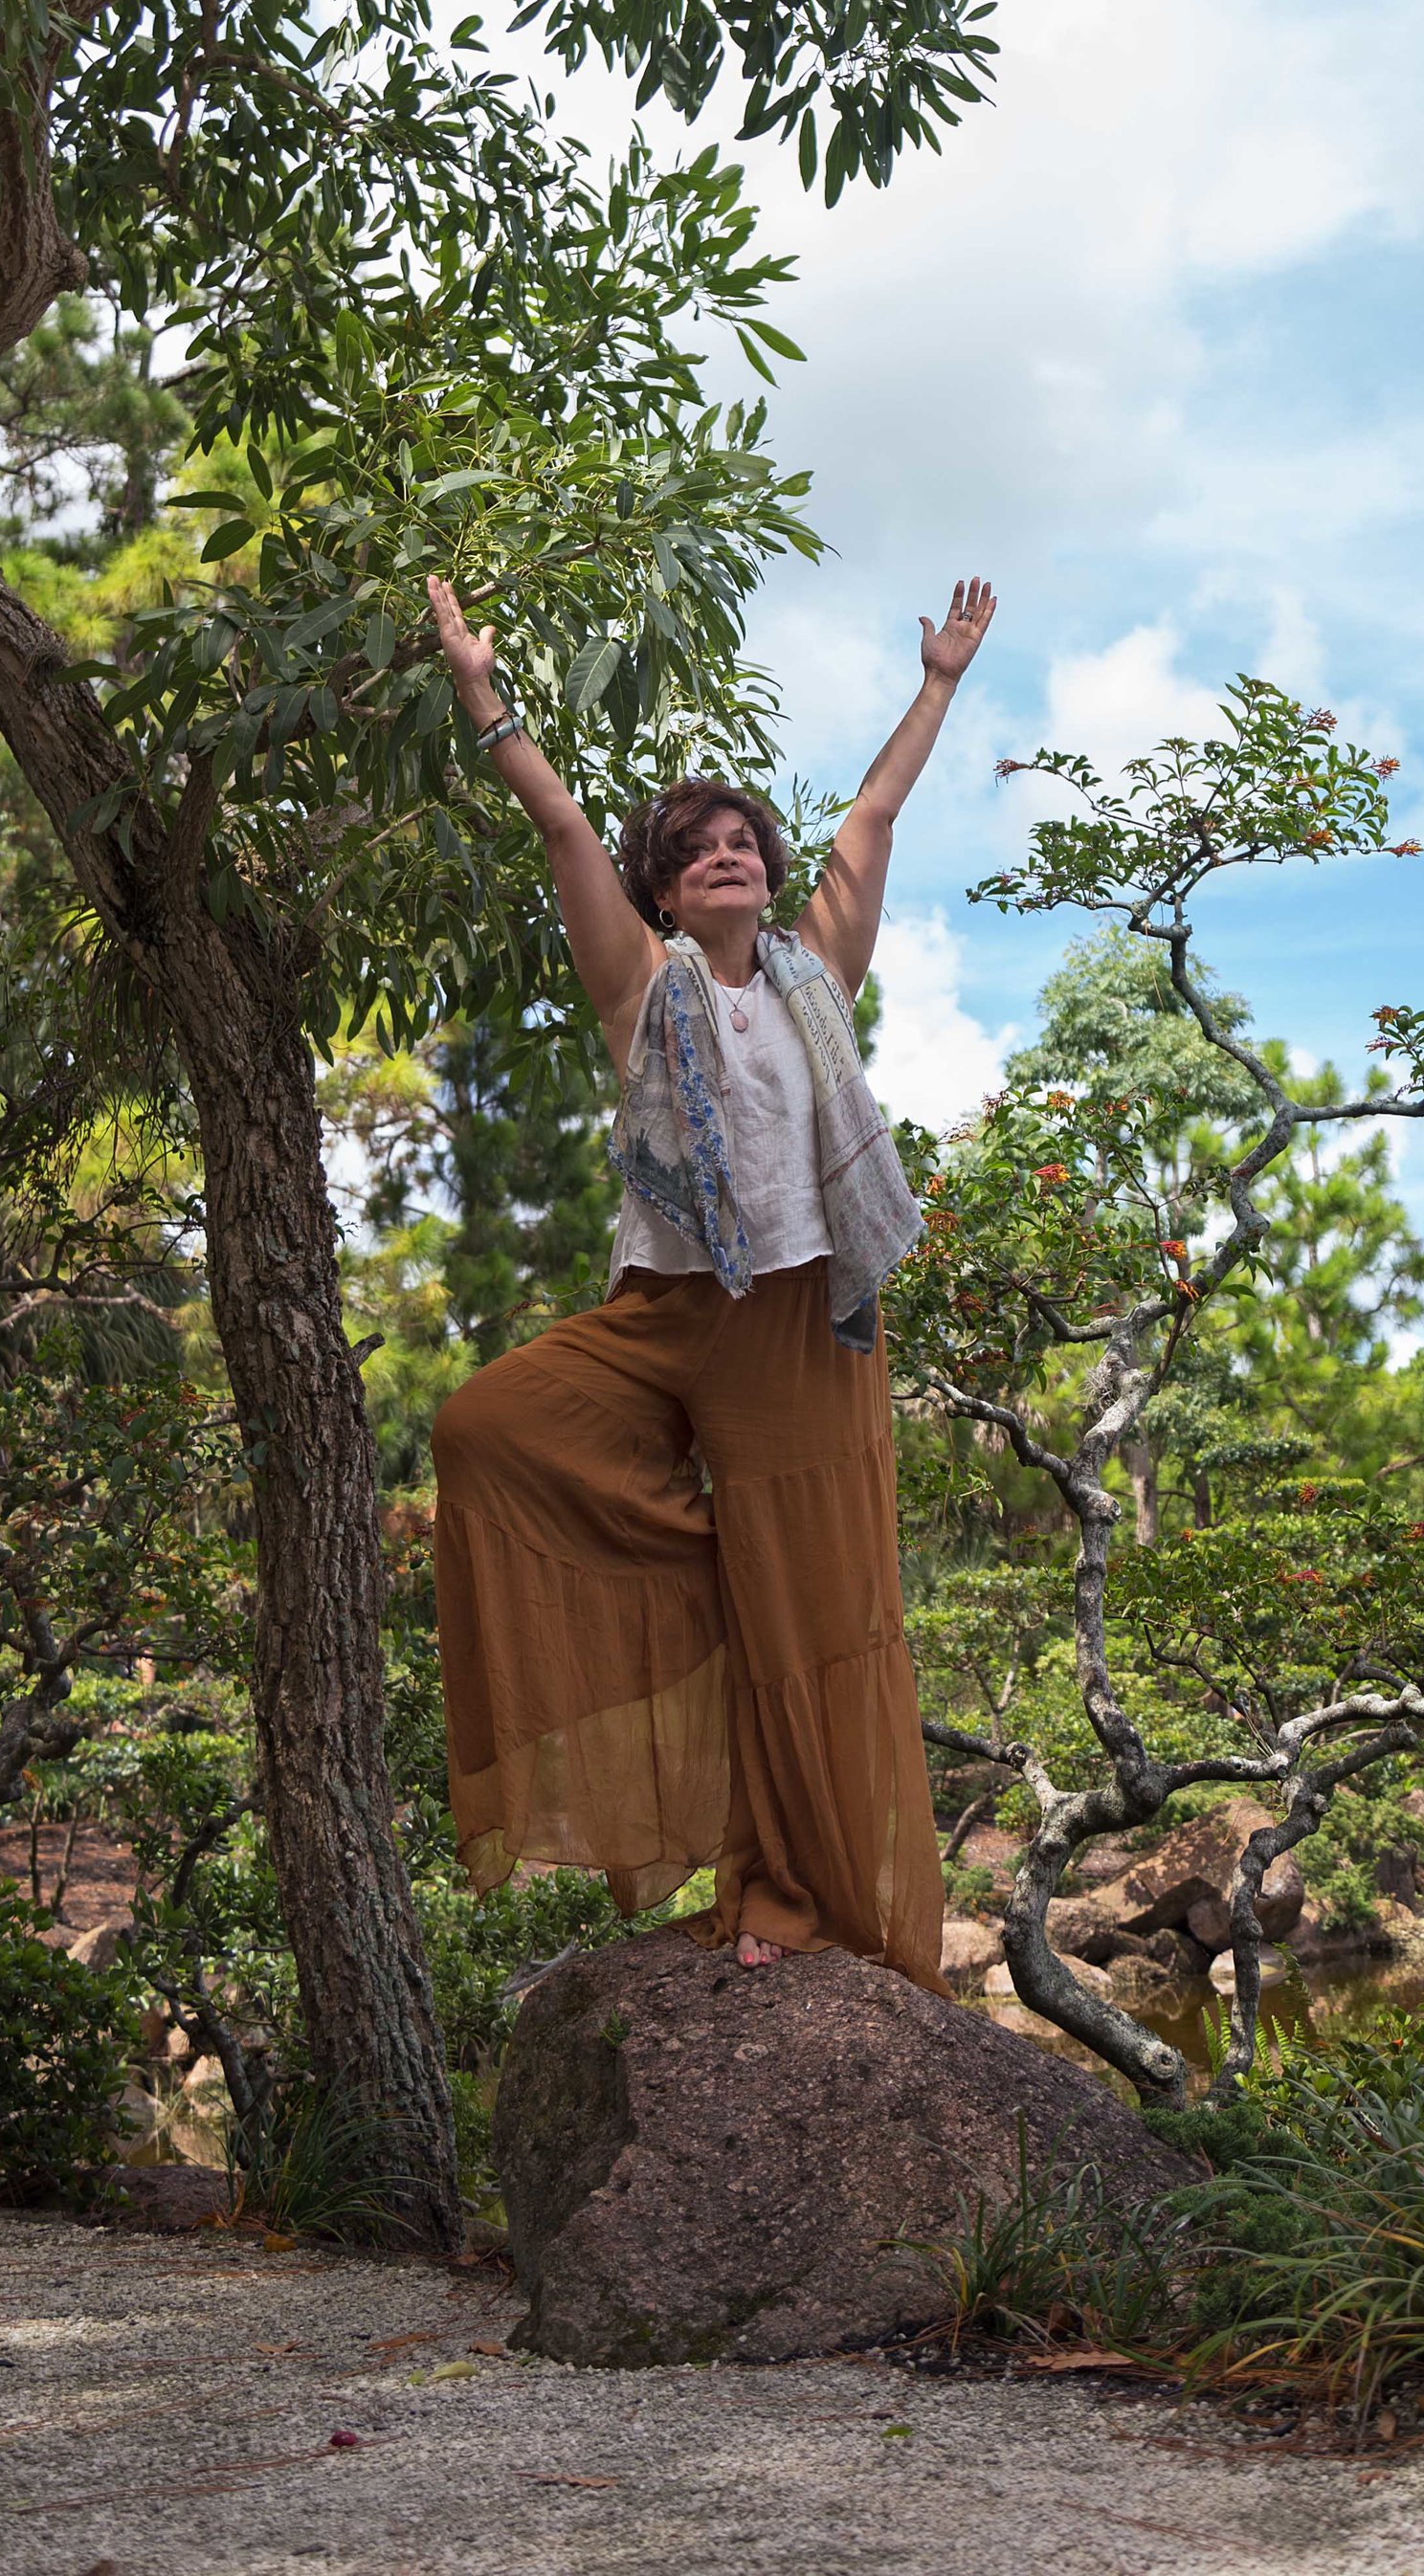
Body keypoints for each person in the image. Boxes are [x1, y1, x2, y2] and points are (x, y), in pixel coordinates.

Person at [421, 568, 997, 1982]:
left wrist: (937, 684)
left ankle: (789, 1886)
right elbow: (561, 823)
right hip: (664, 1310)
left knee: (822, 1616)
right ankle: (728, 1573)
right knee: (482, 1425)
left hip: (800, 1318)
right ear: (666, 890)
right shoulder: (641, 987)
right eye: (699, 848)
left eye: (745, 841)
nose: (729, 855)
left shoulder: (818, 971)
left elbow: (872, 817)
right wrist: (484, 699)